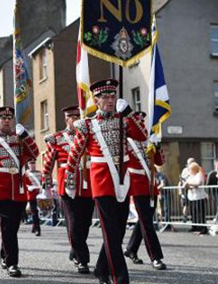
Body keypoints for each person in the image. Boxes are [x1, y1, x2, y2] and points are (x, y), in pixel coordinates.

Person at [65, 79, 147, 284]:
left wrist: (128, 113)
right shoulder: (88, 125)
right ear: (96, 100)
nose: (110, 100)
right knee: (110, 229)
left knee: (118, 230)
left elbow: (142, 136)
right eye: (105, 97)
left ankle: (102, 269)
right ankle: (119, 277)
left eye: (113, 96)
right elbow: (74, 155)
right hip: (101, 182)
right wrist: (70, 180)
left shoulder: (125, 121)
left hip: (122, 179)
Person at [0, 106, 39, 278]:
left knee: (12, 226)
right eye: (3, 118)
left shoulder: (19, 139)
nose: (7, 120)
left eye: (9, 117)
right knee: (8, 225)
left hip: (18, 188)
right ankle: (12, 263)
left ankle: (4, 253)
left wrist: (25, 136)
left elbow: (35, 153)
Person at [42, 105, 93, 274]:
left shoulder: (88, 137)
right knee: (73, 221)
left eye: (79, 116)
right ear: (66, 119)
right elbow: (48, 164)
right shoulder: (56, 139)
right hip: (68, 184)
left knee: (85, 222)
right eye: (73, 117)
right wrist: (46, 186)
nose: (76, 120)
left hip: (87, 183)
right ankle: (82, 259)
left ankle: (75, 248)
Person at [123, 111, 167, 270]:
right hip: (136, 185)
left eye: (143, 121)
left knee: (145, 220)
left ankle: (131, 249)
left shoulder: (149, 140)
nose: (142, 124)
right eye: (139, 121)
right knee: (147, 222)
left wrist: (157, 146)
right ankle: (155, 257)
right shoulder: (127, 142)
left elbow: (160, 161)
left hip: (151, 184)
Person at [183, 162, 208, 235]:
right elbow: (187, 183)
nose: (189, 171)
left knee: (200, 213)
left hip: (199, 197)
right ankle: (195, 226)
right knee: (193, 213)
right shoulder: (190, 176)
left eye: (190, 169)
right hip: (192, 197)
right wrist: (187, 185)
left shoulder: (199, 175)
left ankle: (202, 228)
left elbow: (198, 183)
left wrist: (189, 184)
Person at [25, 161, 42, 236]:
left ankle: (34, 226)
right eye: (30, 163)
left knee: (37, 211)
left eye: (33, 163)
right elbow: (24, 183)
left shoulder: (39, 173)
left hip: (39, 193)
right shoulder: (26, 174)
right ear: (28, 165)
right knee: (34, 212)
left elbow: (42, 182)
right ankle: (37, 228)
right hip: (31, 193)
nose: (32, 165)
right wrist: (28, 187)